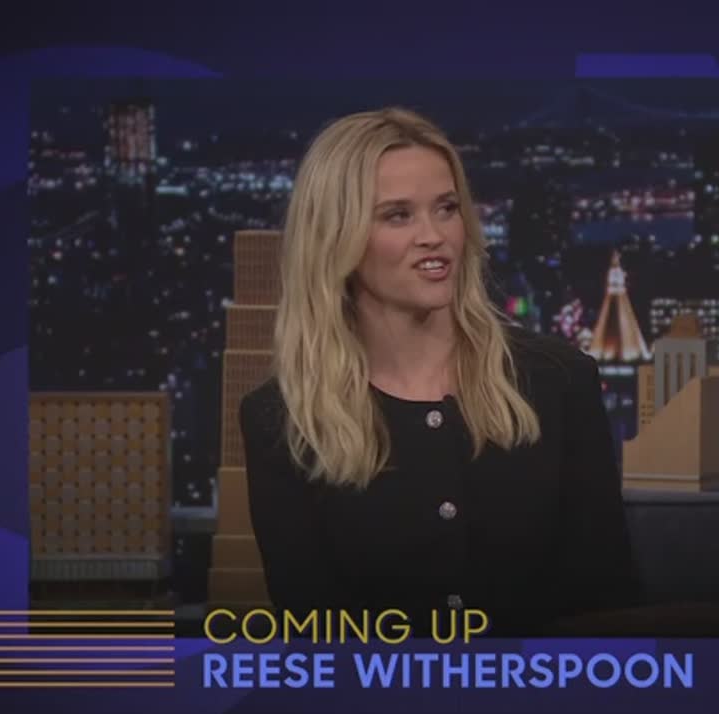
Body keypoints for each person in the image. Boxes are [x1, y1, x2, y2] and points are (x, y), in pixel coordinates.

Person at [238, 107, 641, 636]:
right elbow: (315, 634)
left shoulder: (558, 381)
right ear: (336, 238)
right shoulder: (283, 420)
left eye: (447, 209)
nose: (434, 235)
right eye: (397, 216)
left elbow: (608, 608)